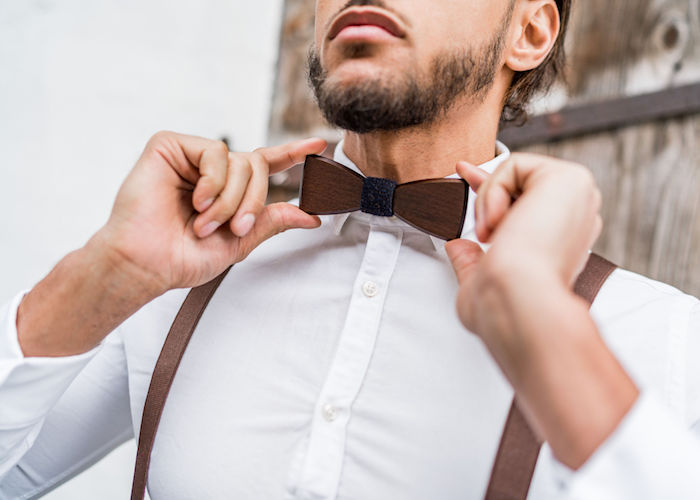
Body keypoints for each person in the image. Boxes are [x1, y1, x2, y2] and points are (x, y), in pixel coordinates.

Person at [1, 0, 699, 498]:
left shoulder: (664, 339)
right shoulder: (177, 278)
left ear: (530, 30)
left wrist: (543, 324)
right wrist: (110, 271)